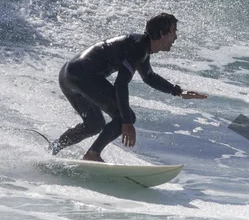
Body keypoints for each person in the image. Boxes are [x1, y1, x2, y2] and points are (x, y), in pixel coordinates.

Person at [53, 13, 207, 161]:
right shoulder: (138, 48)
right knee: (126, 116)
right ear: (162, 33)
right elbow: (121, 84)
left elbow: (149, 77)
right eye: (173, 31)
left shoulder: (140, 46)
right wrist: (126, 122)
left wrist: (178, 91)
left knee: (94, 124)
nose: (176, 37)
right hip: (83, 75)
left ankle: (53, 148)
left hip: (68, 75)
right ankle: (93, 154)